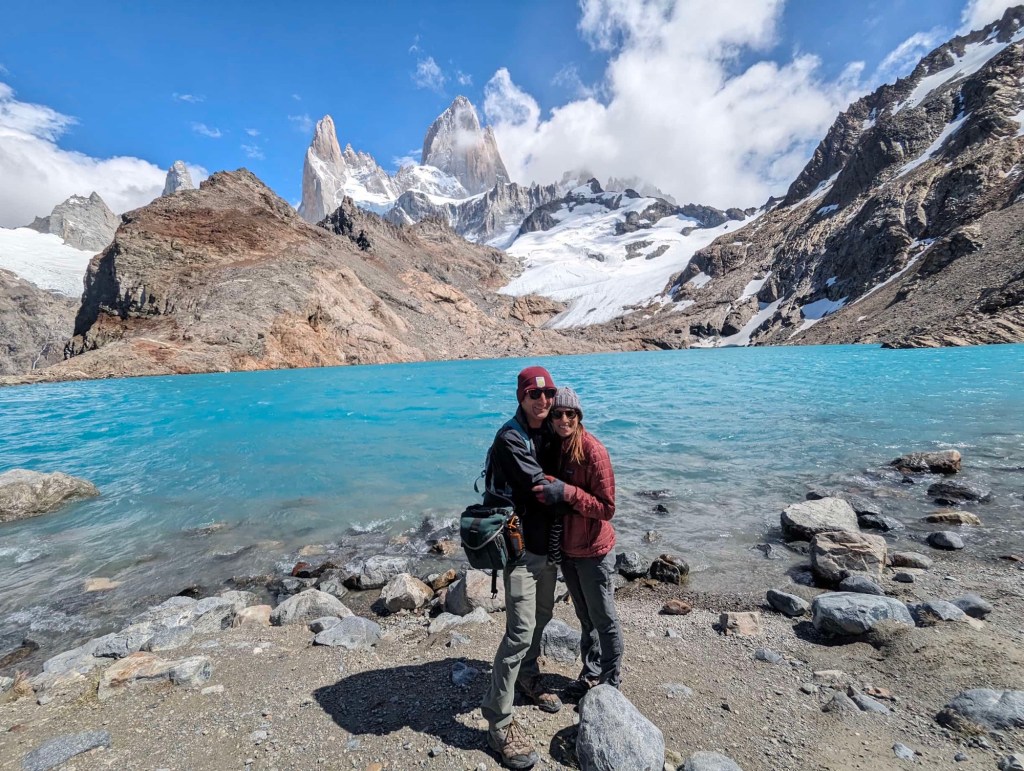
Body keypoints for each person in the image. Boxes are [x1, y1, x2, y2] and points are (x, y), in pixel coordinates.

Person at [480, 365, 564, 770]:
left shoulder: (547, 430)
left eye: (548, 395)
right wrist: (580, 493)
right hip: (518, 552)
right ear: (521, 397)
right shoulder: (510, 438)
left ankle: (528, 676)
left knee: (543, 616)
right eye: (535, 395)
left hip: (545, 546)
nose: (544, 402)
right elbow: (543, 488)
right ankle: (499, 723)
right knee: (518, 633)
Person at [533, 386, 622, 694]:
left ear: (578, 416)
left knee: (604, 618)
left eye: (570, 414)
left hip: (593, 550)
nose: (563, 420)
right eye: (557, 414)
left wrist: (568, 493)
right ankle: (591, 673)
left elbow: (607, 508)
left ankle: (611, 682)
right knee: (585, 618)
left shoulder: (593, 450)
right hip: (569, 550)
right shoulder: (555, 448)